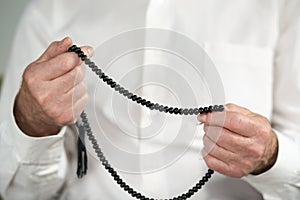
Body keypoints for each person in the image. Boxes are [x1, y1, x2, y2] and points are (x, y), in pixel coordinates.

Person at [0, 0, 299, 199]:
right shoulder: (51, 9)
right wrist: (31, 123)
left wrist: (271, 156)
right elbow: (18, 191)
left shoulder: (281, 7)